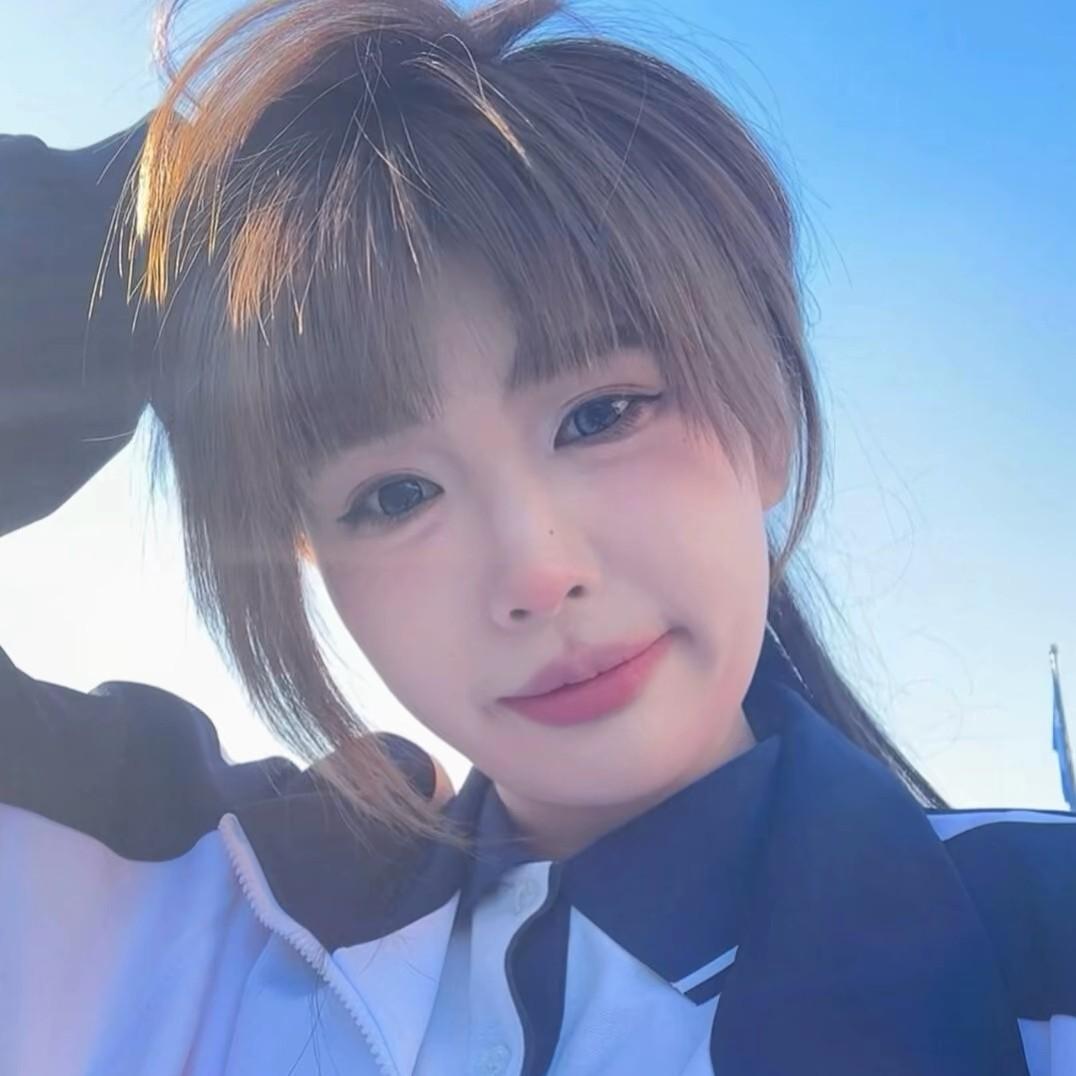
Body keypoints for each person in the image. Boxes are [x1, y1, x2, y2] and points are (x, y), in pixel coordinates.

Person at [1, 0, 1073, 1072]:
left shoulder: (1043, 951)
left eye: (601, 415)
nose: (537, 570)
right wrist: (176, 200)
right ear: (303, 545)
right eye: (395, 494)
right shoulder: (188, 919)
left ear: (766, 421)